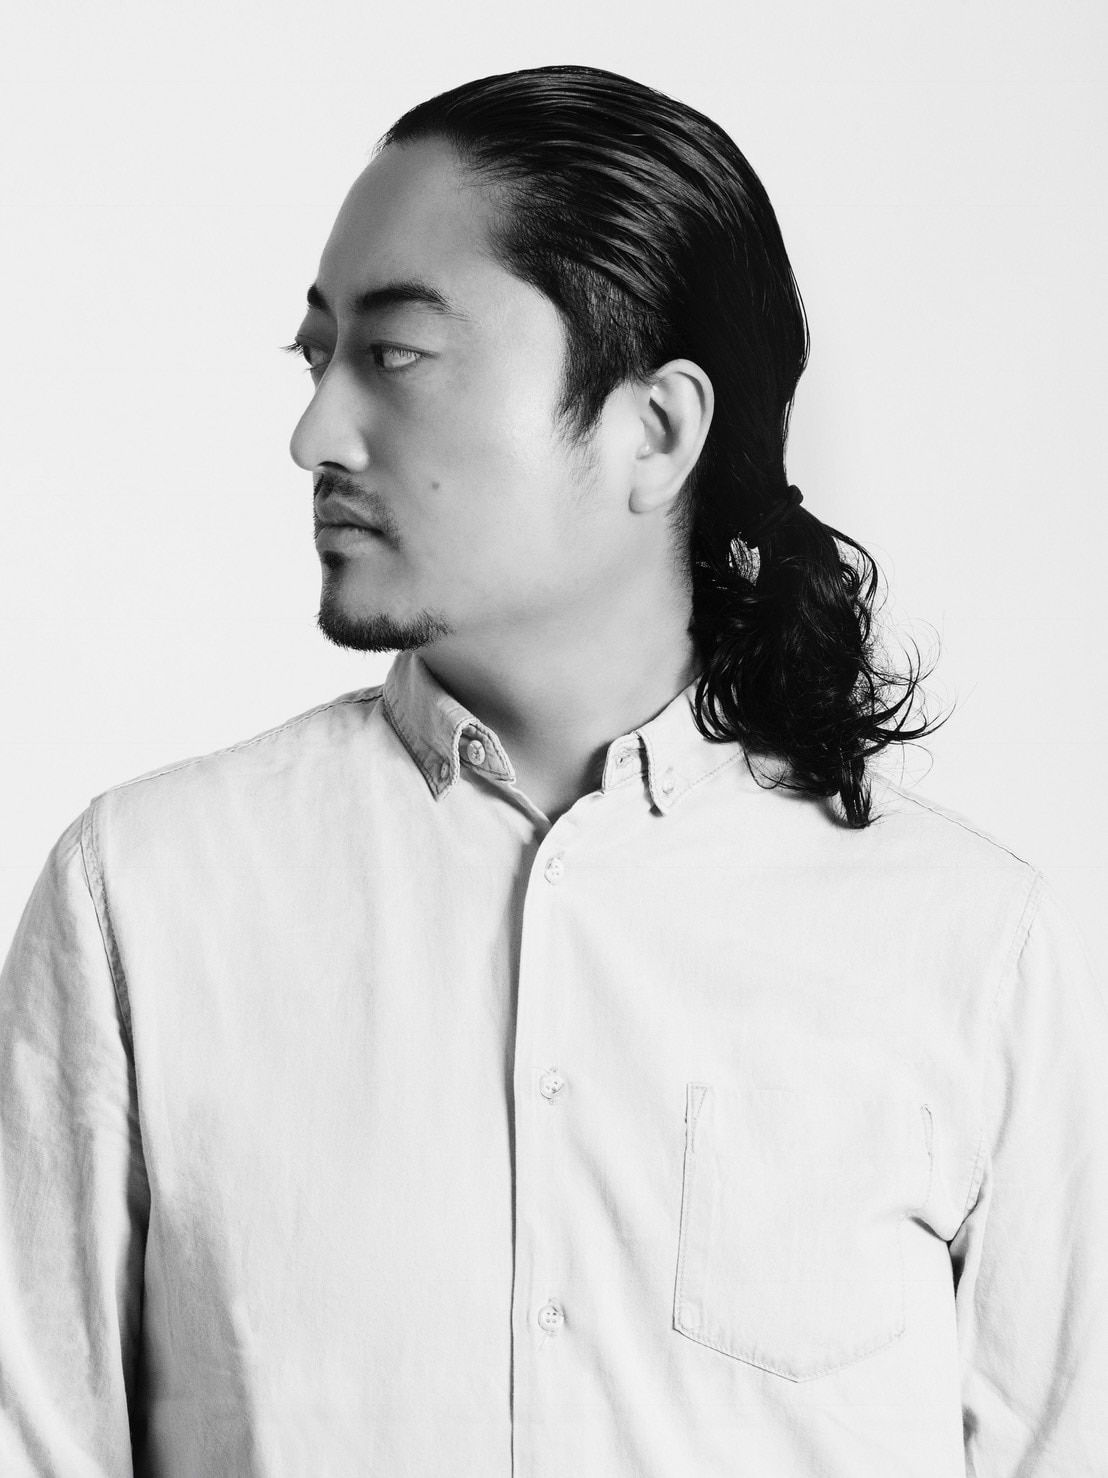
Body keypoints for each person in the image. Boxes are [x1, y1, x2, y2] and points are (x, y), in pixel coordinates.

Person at [1, 63, 1105, 1478]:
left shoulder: (971, 951)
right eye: (317, 356)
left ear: (655, 429)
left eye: (396, 355)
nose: (314, 435)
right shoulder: (144, 902)